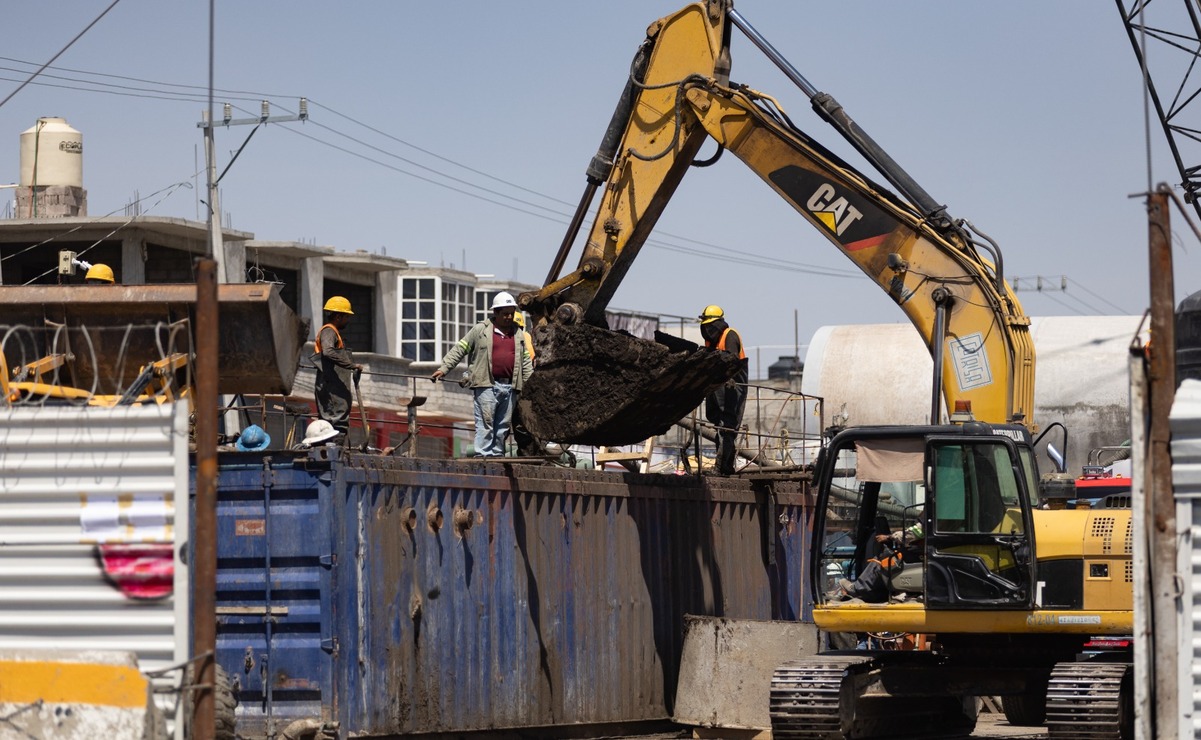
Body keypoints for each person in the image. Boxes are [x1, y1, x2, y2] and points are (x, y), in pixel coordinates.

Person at [432, 291, 533, 458]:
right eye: (505, 314)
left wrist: (529, 387)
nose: (509, 317)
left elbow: (526, 363)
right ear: (496, 313)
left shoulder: (518, 335)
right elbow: (460, 349)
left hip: (510, 386)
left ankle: (496, 455)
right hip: (487, 384)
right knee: (486, 422)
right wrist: (444, 368)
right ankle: (483, 455)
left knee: (503, 425)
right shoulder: (480, 330)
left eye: (511, 313)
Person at [698, 304, 748, 475]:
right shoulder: (711, 339)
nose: (706, 328)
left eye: (708, 324)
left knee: (726, 424)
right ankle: (725, 466)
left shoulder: (729, 335)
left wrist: (730, 379)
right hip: (717, 382)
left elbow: (733, 361)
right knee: (715, 419)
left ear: (716, 323)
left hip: (733, 384)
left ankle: (723, 467)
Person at [831, 514, 925, 603]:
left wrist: (889, 537)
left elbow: (914, 533)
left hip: (921, 555)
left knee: (883, 561)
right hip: (922, 553)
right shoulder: (935, 512)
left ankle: (858, 588)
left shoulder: (932, 514)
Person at [313, 296, 363, 439]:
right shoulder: (329, 331)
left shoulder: (334, 333)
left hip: (334, 386)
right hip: (330, 386)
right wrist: (351, 365)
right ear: (338, 316)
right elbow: (328, 351)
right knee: (334, 421)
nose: (348, 320)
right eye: (346, 316)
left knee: (337, 420)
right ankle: (334, 450)